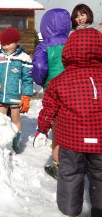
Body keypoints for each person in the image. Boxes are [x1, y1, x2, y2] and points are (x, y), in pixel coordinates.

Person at [35, 28, 102, 217]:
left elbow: (49, 109)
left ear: (69, 51)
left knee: (70, 174)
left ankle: (69, 210)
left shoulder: (59, 81)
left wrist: (42, 129)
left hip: (72, 141)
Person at [32, 8, 71, 179]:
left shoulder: (45, 45)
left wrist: (41, 81)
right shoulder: (72, 42)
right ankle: (75, 160)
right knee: (71, 124)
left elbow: (40, 67)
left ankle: (59, 165)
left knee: (57, 126)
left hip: (53, 89)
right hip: (74, 88)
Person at [0, 28, 33, 153]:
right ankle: (3, 142)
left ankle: (15, 143)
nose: (6, 47)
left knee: (15, 119)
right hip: (0, 94)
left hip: (15, 95)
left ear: (17, 42)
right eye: (4, 44)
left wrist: (26, 97)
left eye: (9, 44)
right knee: (1, 119)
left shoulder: (24, 58)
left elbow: (27, 79)